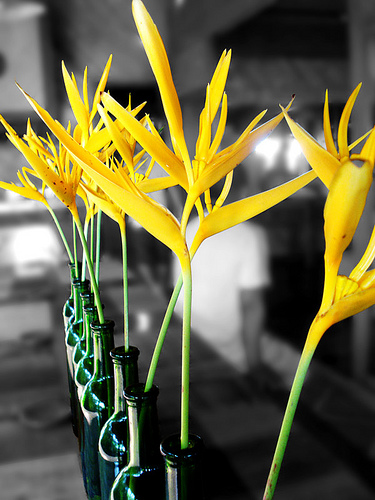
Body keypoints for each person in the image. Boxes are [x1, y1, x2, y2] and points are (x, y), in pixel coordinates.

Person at [172, 171, 271, 377]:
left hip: (184, 343)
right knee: (304, 372)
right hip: (228, 349)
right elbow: (251, 305)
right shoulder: (249, 236)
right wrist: (255, 367)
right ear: (242, 193)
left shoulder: (185, 231)